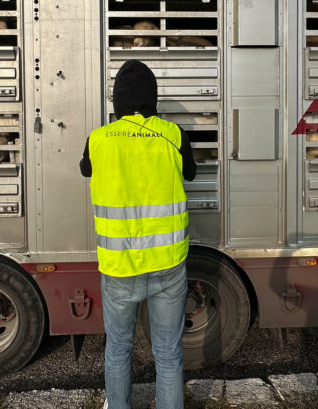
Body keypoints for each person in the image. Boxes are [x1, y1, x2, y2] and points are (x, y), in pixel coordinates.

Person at [80, 59, 196, 409]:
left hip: (120, 267)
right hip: (168, 265)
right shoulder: (173, 135)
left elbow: (86, 169)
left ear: (116, 103)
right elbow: (189, 173)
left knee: (118, 349)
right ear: (152, 99)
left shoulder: (98, 140)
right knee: (168, 353)